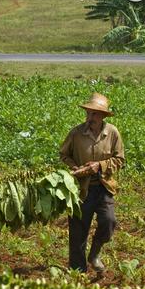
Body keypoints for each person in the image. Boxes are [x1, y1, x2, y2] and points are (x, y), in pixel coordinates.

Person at [60, 93, 125, 274]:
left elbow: (120, 160)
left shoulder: (112, 133)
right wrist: (76, 168)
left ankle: (94, 254)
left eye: (94, 114)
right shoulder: (76, 133)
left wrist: (99, 166)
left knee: (109, 222)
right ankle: (77, 272)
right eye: (88, 114)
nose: (90, 118)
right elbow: (64, 154)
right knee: (78, 231)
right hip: (82, 189)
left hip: (104, 187)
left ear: (103, 116)